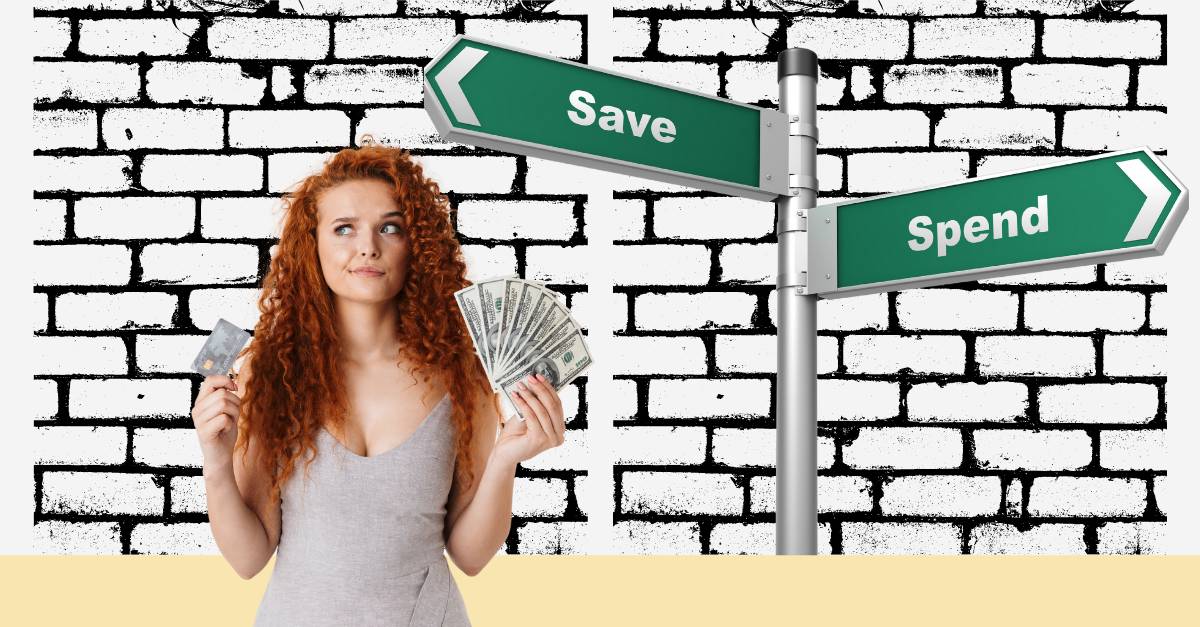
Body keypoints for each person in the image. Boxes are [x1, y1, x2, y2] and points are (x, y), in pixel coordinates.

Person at [190, 139, 566, 626]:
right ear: (313, 244)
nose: (367, 246)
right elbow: (248, 559)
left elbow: (471, 556)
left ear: (417, 246)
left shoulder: (462, 370)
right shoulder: (272, 371)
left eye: (390, 227)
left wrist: (505, 460)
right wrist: (216, 460)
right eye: (344, 228)